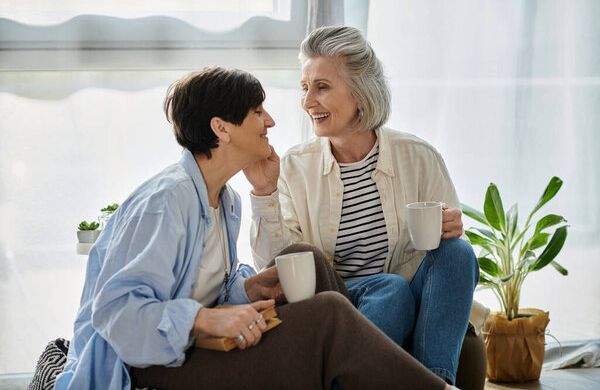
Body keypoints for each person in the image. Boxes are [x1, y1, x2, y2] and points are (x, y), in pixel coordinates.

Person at [54, 67, 454, 390]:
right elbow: (115, 313)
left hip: (194, 349)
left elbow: (202, 286)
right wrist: (204, 320)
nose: (272, 120)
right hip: (146, 370)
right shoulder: (166, 202)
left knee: (307, 260)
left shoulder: (224, 200)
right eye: (258, 112)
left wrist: (247, 289)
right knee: (329, 312)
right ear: (221, 128)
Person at [245, 26, 479, 386]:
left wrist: (451, 226)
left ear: (361, 93)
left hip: (406, 298)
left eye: (321, 87)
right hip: (337, 305)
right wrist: (264, 193)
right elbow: (275, 266)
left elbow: (443, 261)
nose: (307, 103)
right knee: (389, 291)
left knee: (457, 255)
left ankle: (436, 380)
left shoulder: (419, 157)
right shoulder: (293, 167)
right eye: (305, 88)